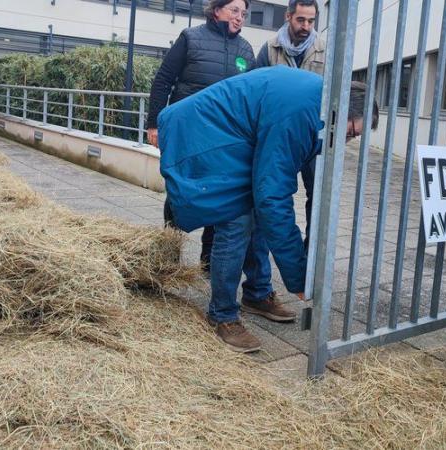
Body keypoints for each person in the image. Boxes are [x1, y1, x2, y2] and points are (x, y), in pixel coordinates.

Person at [158, 66, 379, 352]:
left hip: (235, 137)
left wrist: (312, 256)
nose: (349, 140)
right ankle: (223, 314)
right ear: (344, 111)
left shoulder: (321, 109)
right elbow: (273, 197)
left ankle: (257, 294)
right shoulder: (300, 113)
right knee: (236, 219)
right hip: (202, 132)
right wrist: (298, 277)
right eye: (352, 132)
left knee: (257, 214)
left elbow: (318, 191)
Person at [146, 0, 255, 273]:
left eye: (243, 13)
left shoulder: (246, 50)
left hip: (224, 139)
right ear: (216, 10)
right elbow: (163, 81)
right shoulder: (190, 38)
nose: (240, 17)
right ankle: (169, 254)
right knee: (179, 191)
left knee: (218, 196)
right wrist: (153, 125)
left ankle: (208, 261)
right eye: (234, 10)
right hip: (188, 135)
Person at [257, 0, 325, 250]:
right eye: (301, 20)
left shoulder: (325, 50)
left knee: (317, 197)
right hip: (278, 138)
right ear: (288, 17)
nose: (306, 26)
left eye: (311, 20)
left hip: (313, 137)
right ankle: (261, 277)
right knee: (270, 196)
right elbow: (257, 91)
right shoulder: (269, 48)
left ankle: (310, 255)